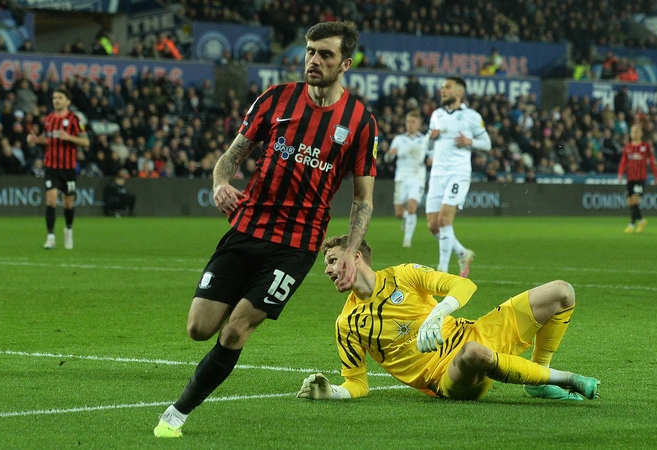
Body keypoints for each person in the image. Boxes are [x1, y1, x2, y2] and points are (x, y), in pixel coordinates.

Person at [154, 20, 378, 438]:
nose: (314, 60)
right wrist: (220, 183)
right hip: (247, 229)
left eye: (325, 54)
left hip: (296, 246)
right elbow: (232, 155)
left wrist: (350, 250)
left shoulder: (360, 122)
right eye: (310, 51)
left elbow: (362, 199)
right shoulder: (275, 99)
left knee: (236, 329)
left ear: (345, 63)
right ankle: (233, 314)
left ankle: (177, 413)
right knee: (199, 328)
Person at [296, 235, 600, 402]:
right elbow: (356, 382)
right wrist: (334, 392)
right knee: (474, 353)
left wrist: (438, 312)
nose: (328, 270)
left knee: (562, 292)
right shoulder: (347, 323)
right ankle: (566, 378)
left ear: (356, 256)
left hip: (478, 331)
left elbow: (464, 285)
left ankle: (539, 381)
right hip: (449, 375)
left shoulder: (404, 275)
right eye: (327, 265)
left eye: (333, 261)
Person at [426, 76, 491, 276]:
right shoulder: (436, 115)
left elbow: (487, 143)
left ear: (459, 92)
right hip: (437, 174)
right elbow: (429, 147)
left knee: (444, 220)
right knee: (433, 225)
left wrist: (470, 142)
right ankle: (463, 253)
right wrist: (431, 140)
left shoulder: (471, 116)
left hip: (458, 172)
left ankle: (442, 270)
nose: (443, 90)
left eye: (448, 87)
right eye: (442, 87)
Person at [26, 87, 90, 250]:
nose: (56, 100)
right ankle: (51, 237)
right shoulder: (49, 119)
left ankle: (68, 230)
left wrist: (69, 137)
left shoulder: (76, 119)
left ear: (68, 101)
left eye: (60, 98)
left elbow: (85, 142)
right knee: (51, 200)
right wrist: (36, 140)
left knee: (68, 203)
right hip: (51, 166)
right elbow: (48, 139)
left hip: (68, 168)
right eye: (55, 97)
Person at [384, 110, 428, 248]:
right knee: (399, 212)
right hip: (401, 178)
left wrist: (431, 160)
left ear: (419, 124)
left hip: (418, 177)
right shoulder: (398, 139)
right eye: (408, 121)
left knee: (412, 207)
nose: (410, 124)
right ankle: (406, 219)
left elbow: (433, 155)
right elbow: (387, 158)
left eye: (413, 122)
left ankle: (407, 240)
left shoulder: (425, 140)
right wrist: (390, 155)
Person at [617, 123, 657, 233]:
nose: (635, 134)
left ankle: (631, 225)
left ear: (641, 133)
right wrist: (620, 173)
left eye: (637, 132)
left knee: (635, 200)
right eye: (633, 132)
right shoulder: (627, 148)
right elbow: (623, 162)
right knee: (630, 202)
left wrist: (656, 176)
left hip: (640, 178)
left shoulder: (646, 146)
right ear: (630, 134)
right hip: (630, 178)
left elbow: (652, 161)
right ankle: (641, 221)